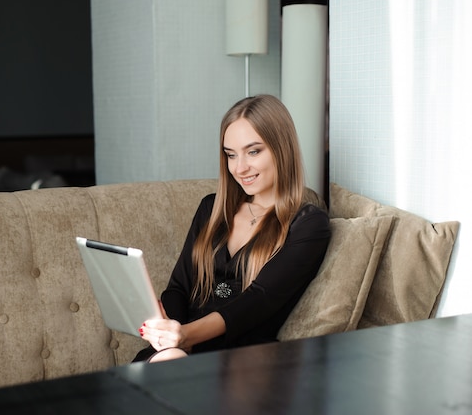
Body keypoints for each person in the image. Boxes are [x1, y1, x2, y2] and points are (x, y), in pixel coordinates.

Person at [134, 95, 331, 363]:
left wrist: (185, 336)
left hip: (243, 364)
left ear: (281, 149)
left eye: (253, 151)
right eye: (230, 155)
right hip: (180, 350)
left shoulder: (307, 224)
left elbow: (258, 301)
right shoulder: (211, 209)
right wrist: (170, 333)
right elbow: (178, 287)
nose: (239, 168)